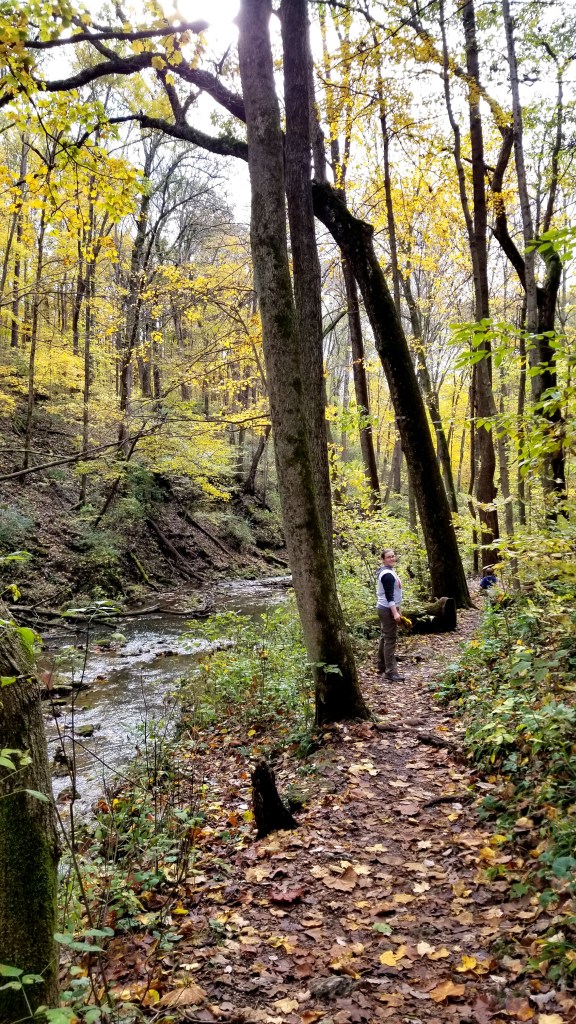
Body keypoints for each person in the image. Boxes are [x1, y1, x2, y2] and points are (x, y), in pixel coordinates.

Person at [376, 548, 404, 682]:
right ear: (383, 559)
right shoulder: (386, 574)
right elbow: (389, 596)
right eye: (388, 557)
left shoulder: (387, 571)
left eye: (393, 556)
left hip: (386, 608)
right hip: (387, 609)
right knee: (390, 639)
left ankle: (381, 664)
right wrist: (395, 613)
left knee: (385, 636)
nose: (392, 558)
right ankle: (391, 671)